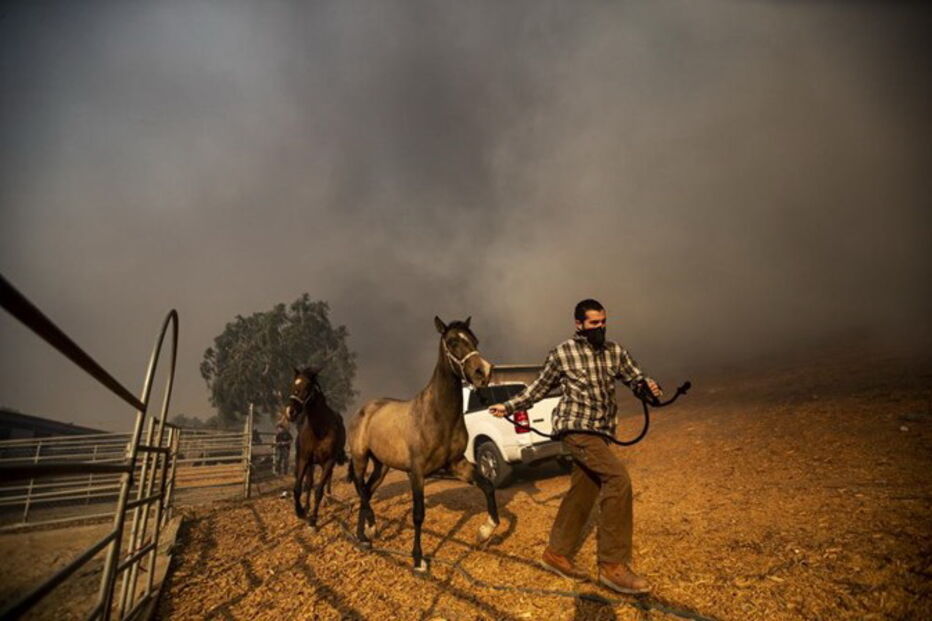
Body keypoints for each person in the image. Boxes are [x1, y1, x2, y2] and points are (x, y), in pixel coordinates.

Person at [489, 298, 662, 594]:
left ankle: (556, 554)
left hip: (601, 430)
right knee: (618, 480)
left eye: (603, 322)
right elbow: (538, 388)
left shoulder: (614, 351)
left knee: (585, 490)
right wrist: (508, 406)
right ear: (579, 324)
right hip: (576, 429)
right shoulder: (562, 354)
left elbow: (636, 377)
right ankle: (612, 566)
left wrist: (647, 386)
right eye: (594, 323)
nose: (600, 328)